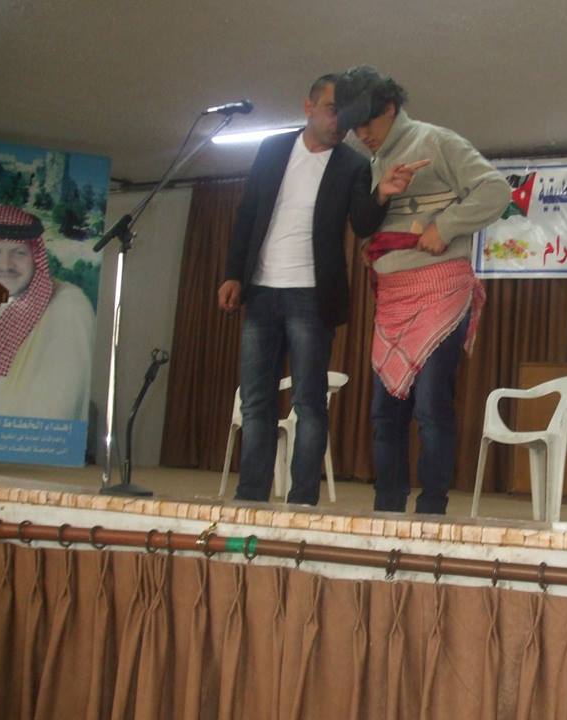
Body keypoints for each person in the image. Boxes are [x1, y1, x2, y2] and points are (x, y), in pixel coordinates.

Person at [218, 73, 420, 505]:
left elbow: (362, 223)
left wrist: (381, 194)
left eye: (346, 115)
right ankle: (250, 497)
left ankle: (302, 500)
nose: (339, 122)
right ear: (308, 108)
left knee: (309, 403)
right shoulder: (273, 149)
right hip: (261, 290)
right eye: (332, 110)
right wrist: (233, 273)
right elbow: (248, 213)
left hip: (311, 296)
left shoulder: (352, 164)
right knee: (255, 400)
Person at [335, 66, 511, 514]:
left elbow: (496, 190)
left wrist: (445, 226)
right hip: (392, 297)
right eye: (354, 127)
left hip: (440, 289)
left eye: (368, 123)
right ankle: (387, 508)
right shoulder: (368, 164)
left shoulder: (436, 141)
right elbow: (364, 224)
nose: (362, 134)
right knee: (384, 411)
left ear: (391, 108)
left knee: (431, 406)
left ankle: (432, 510)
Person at [0, 204, 95, 421]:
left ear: (35, 256)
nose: (5, 264)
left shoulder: (68, 306)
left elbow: (52, 410)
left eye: (18, 252)